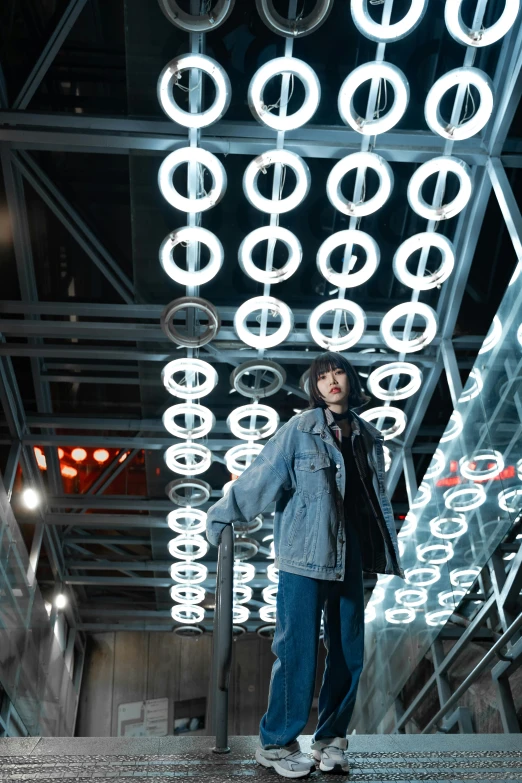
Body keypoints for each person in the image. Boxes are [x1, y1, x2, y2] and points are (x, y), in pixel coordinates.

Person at [206, 351, 404, 778]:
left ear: (350, 380)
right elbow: (263, 477)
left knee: (349, 652)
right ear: (313, 387)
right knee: (296, 651)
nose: (332, 381)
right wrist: (222, 516)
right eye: (323, 376)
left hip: (349, 557)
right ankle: (276, 743)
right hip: (303, 557)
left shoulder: (369, 438)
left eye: (338, 373)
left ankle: (330, 740)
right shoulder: (300, 430)